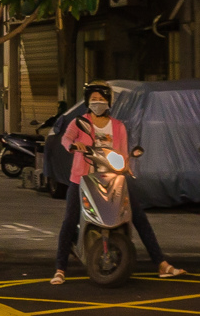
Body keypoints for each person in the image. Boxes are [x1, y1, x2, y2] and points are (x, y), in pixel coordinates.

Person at [51, 81, 185, 285]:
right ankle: (60, 269)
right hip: (82, 178)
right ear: (88, 101)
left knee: (138, 217)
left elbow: (122, 152)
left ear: (109, 101)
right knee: (69, 220)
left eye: (101, 99)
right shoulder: (79, 122)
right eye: (94, 99)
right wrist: (73, 145)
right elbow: (66, 139)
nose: (98, 102)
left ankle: (161, 264)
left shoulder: (118, 126)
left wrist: (126, 164)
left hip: (113, 177)